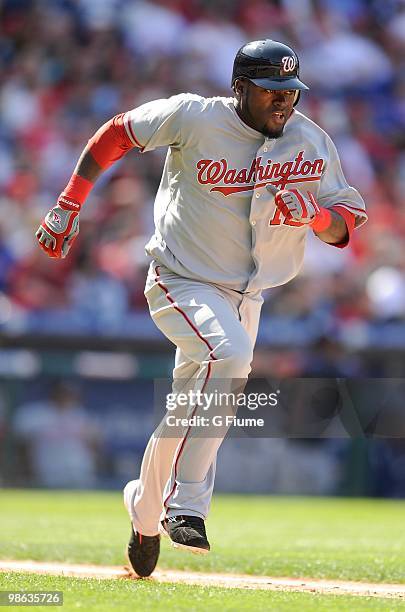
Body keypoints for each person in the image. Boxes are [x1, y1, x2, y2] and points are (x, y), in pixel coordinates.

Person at [36, 40, 367, 577]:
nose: (283, 102)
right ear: (239, 86)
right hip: (180, 280)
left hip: (248, 295)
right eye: (270, 91)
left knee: (189, 408)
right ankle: (185, 502)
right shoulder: (194, 117)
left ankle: (144, 511)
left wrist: (317, 216)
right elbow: (118, 133)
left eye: (291, 91)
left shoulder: (309, 139)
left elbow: (346, 223)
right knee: (231, 358)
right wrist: (69, 202)